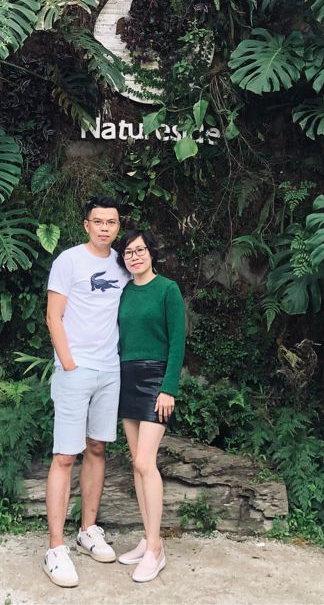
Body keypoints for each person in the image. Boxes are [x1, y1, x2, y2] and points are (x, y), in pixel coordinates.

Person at [43, 196, 130, 588]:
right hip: (75, 370)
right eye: (98, 221)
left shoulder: (123, 263)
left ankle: (88, 530)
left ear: (118, 226)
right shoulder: (69, 261)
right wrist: (69, 363)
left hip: (110, 369)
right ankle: (55, 547)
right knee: (65, 455)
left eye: (111, 222)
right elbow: (53, 315)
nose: (104, 228)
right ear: (86, 225)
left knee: (97, 448)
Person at [115, 230, 185, 583]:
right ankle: (147, 538)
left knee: (146, 462)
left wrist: (168, 388)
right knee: (136, 464)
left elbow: (178, 342)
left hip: (156, 380)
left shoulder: (168, 290)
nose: (135, 256)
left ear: (151, 252)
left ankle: (156, 550)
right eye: (128, 252)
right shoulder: (124, 292)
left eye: (140, 250)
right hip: (126, 378)